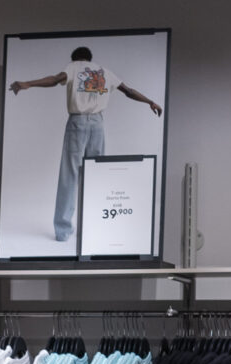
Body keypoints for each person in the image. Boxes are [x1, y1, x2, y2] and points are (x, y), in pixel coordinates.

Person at [11, 45, 163, 243]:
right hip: (98, 124)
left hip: (78, 122)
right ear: (90, 58)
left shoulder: (73, 67)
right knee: (95, 175)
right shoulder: (104, 72)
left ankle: (63, 232)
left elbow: (55, 79)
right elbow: (129, 91)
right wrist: (150, 101)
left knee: (69, 174)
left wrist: (28, 83)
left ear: (75, 59)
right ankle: (93, 227)